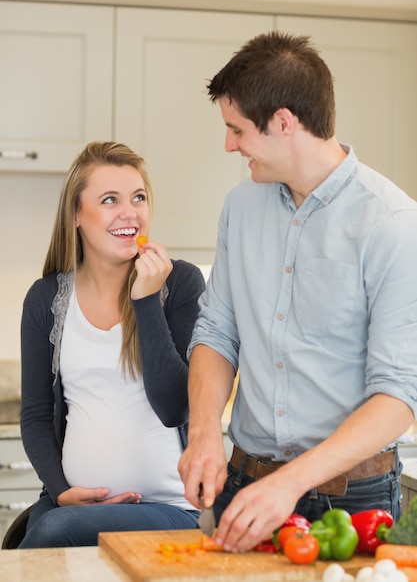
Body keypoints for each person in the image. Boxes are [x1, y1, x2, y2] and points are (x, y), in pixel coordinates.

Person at [178, 31, 417, 553]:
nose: (229, 145)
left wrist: (289, 482)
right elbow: (218, 333)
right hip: (244, 485)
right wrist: (203, 435)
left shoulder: (392, 223)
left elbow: (400, 395)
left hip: (353, 501)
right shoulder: (240, 208)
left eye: (236, 130)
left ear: (284, 123)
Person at [18, 141, 206, 548]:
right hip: (71, 507)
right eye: (109, 200)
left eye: (138, 197)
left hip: (170, 506)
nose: (130, 213)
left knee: (49, 534)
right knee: (28, 539)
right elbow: (35, 415)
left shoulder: (179, 283)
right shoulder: (46, 299)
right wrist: (60, 491)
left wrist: (144, 300)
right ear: (75, 216)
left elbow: (174, 406)